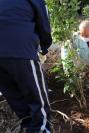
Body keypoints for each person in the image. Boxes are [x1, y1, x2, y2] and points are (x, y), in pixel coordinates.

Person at [0, 0, 52, 132]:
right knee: (37, 100)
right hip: (20, 48)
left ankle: (29, 126)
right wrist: (44, 47)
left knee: (16, 98)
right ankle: (41, 129)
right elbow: (44, 26)